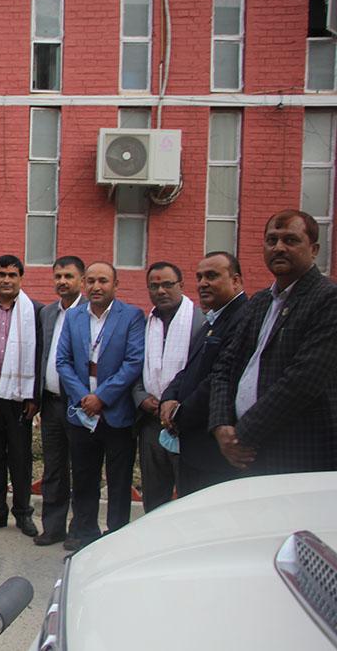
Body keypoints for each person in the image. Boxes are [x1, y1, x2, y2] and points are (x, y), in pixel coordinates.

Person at [209, 210, 337, 475]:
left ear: (314, 250)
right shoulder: (260, 302)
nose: (278, 247)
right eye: (272, 240)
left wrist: (240, 434)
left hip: (298, 454)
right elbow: (224, 366)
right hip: (247, 453)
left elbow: (304, 380)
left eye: (290, 240)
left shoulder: (327, 299)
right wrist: (221, 424)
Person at [56, 261, 144, 551]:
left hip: (116, 413)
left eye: (103, 281)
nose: (96, 286)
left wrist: (102, 397)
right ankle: (85, 533)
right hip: (82, 414)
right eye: (91, 281)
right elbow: (63, 361)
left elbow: (133, 362)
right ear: (84, 284)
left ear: (115, 285)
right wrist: (84, 397)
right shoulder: (73, 317)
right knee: (83, 478)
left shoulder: (131, 316)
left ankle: (116, 536)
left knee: (118, 480)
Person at [160, 252, 247, 495]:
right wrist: (169, 397)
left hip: (214, 452)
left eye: (212, 276)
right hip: (194, 448)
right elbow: (189, 369)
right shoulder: (212, 320)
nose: (202, 283)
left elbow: (220, 377)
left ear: (236, 281)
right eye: (199, 277)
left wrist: (179, 414)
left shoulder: (243, 319)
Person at [0, 255, 42, 537]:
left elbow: (40, 355)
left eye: (12, 275)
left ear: (20, 279)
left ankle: (23, 513)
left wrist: (34, 396)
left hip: (19, 396)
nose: (6, 280)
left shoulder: (35, 311)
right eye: (1, 274)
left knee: (20, 457)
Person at [131, 262, 204, 513]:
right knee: (154, 495)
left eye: (167, 284)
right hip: (151, 421)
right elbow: (135, 366)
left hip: (184, 422)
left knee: (188, 496)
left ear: (181, 285)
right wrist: (141, 397)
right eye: (154, 286)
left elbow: (203, 372)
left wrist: (177, 406)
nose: (160, 291)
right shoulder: (146, 322)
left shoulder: (199, 321)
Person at [33, 256, 85, 546]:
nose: (62, 281)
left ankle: (80, 528)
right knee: (53, 468)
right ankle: (53, 528)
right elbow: (43, 355)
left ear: (81, 280)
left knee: (81, 467)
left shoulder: (89, 312)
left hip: (79, 404)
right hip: (51, 403)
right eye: (58, 276)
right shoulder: (48, 313)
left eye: (69, 276)